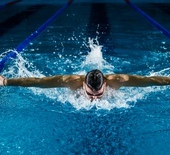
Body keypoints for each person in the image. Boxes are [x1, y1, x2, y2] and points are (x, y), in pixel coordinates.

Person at [0, 69, 170, 101]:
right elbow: (38, 83)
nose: (94, 99)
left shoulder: (119, 80)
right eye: (90, 94)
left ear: (106, 84)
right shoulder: (70, 81)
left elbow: (150, 80)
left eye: (98, 94)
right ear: (83, 84)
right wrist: (6, 82)